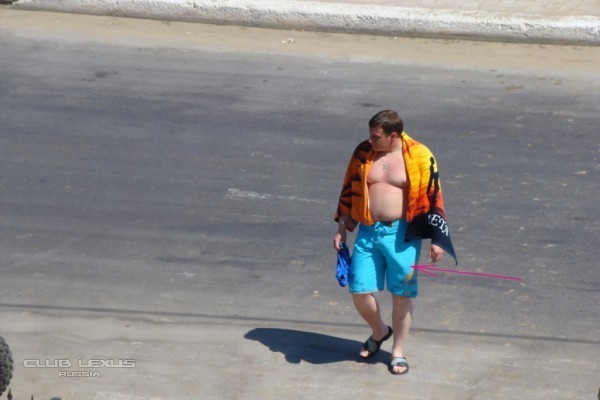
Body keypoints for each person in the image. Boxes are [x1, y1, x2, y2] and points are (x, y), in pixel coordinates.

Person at [333, 110, 456, 375]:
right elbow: (349, 189)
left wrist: (437, 239)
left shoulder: (420, 155)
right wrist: (342, 228)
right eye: (370, 135)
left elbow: (433, 196)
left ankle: (397, 352)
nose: (370, 141)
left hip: (402, 235)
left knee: (401, 294)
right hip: (368, 231)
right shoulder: (363, 152)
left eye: (376, 137)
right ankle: (379, 331)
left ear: (393, 135)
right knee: (359, 289)